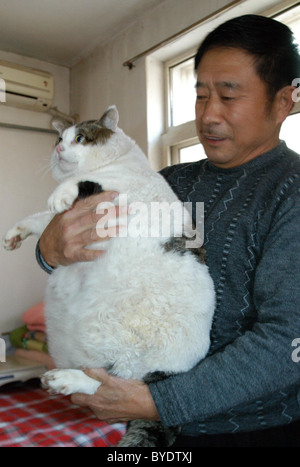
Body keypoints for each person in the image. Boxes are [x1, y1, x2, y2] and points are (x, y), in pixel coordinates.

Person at [36, 15, 300, 447]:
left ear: (283, 101)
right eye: (200, 96)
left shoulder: (290, 193)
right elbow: (82, 247)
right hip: (148, 418)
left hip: (257, 428)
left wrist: (158, 402)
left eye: (229, 96)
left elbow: (287, 341)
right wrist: (50, 249)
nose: (208, 115)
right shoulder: (169, 182)